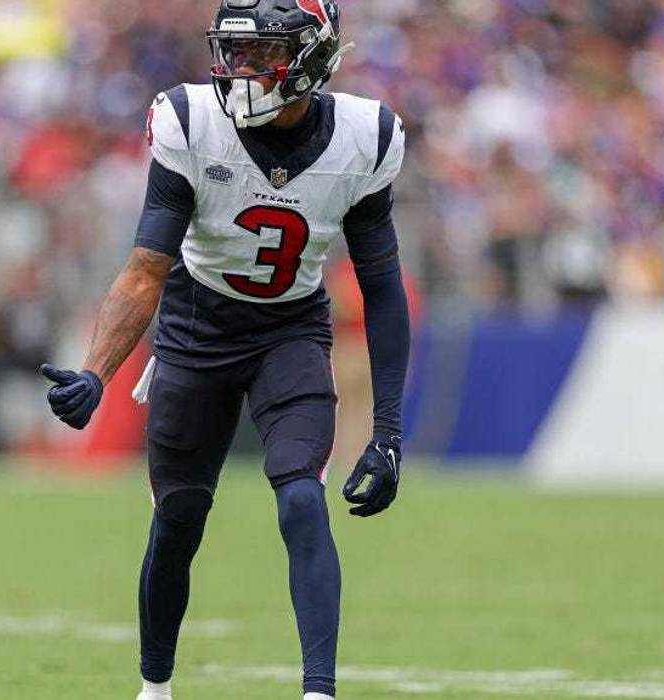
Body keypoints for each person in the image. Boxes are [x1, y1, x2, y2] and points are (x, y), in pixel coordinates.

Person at [40, 1, 409, 698]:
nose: (239, 69)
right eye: (233, 51)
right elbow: (146, 266)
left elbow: (382, 289)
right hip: (193, 329)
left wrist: (387, 430)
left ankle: (318, 692)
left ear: (311, 58)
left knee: (302, 499)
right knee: (178, 519)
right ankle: (154, 689)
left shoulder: (365, 137)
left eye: (260, 53)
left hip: (289, 330)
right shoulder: (192, 121)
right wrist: (97, 372)